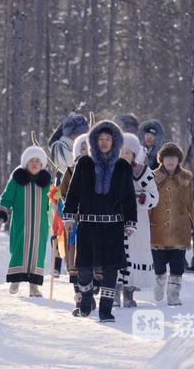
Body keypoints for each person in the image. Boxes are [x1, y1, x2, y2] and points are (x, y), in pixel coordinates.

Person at [63, 121, 137, 322]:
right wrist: (69, 216)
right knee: (84, 268)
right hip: (88, 225)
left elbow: (129, 197)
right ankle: (86, 299)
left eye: (108, 139)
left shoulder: (122, 166)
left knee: (111, 269)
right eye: (100, 139)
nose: (104, 143)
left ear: (115, 141)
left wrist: (130, 221)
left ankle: (106, 311)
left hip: (113, 226)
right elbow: (73, 193)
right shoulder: (84, 164)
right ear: (94, 141)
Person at [0, 146, 52, 297]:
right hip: (21, 225)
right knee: (19, 251)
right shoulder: (17, 180)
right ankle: (16, 279)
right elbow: (6, 199)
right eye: (32, 160)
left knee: (37, 254)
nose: (34, 163)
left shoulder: (47, 183)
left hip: (40, 227)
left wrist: (59, 214)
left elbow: (54, 202)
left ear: (42, 164)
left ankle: (34, 287)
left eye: (37, 161)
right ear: (26, 163)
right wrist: (1, 215)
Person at [116, 133, 159, 308]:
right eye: (121, 151)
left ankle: (129, 292)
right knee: (115, 254)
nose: (124, 155)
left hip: (138, 221)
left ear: (134, 154)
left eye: (127, 152)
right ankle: (114, 292)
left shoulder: (143, 172)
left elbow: (154, 196)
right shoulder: (110, 170)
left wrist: (142, 198)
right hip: (116, 218)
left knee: (134, 254)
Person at [149, 142, 193, 306]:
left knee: (177, 267)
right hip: (157, 231)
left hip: (179, 230)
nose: (170, 161)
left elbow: (192, 203)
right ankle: (160, 281)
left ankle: (174, 295)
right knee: (159, 266)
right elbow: (148, 204)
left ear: (178, 160)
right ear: (162, 159)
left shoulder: (187, 178)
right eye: (167, 157)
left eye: (174, 158)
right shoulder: (152, 177)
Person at [58, 133, 90, 316]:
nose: (85, 151)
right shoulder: (70, 171)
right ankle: (79, 297)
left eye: (88, 148)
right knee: (74, 260)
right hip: (74, 223)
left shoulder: (99, 169)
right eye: (82, 148)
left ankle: (89, 293)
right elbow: (64, 193)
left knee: (91, 261)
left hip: (92, 223)